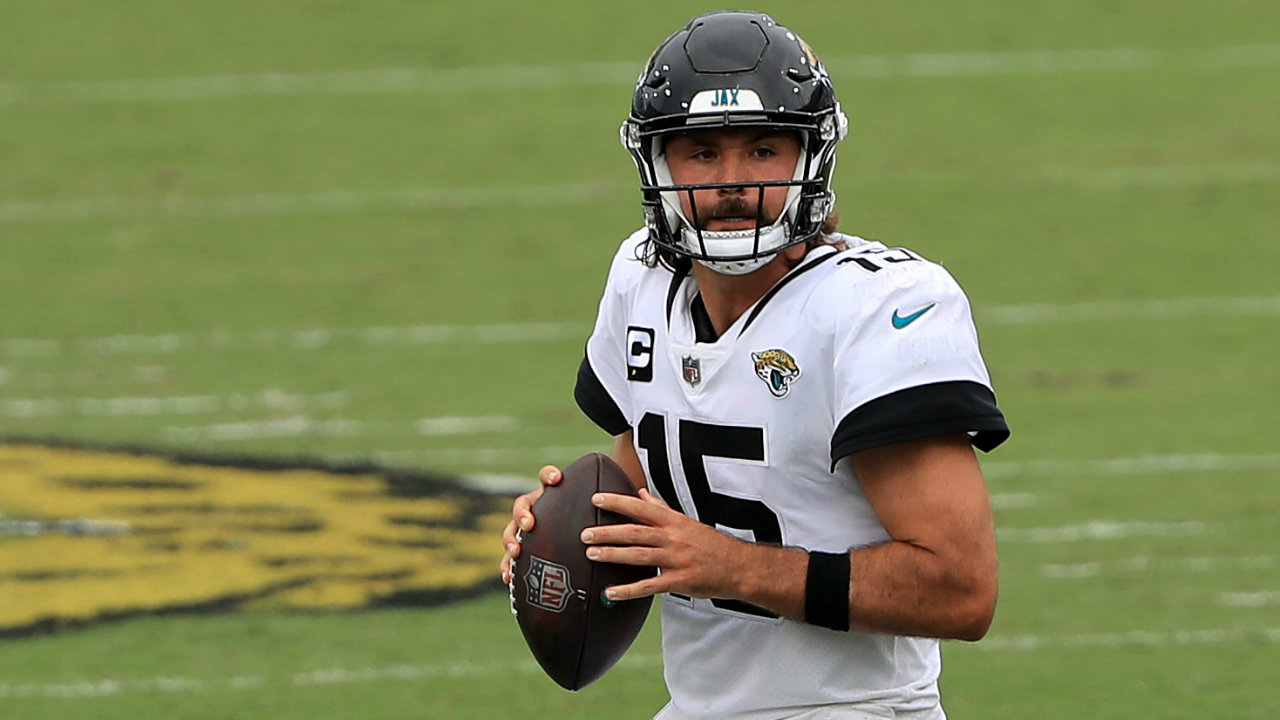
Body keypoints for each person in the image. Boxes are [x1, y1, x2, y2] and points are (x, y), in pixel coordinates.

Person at [501, 10, 1010, 720]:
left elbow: (961, 589)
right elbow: (643, 477)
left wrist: (730, 564)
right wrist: (570, 525)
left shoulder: (879, 306)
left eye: (764, 149)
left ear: (810, 158)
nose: (733, 181)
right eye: (702, 153)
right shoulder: (640, 279)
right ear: (657, 163)